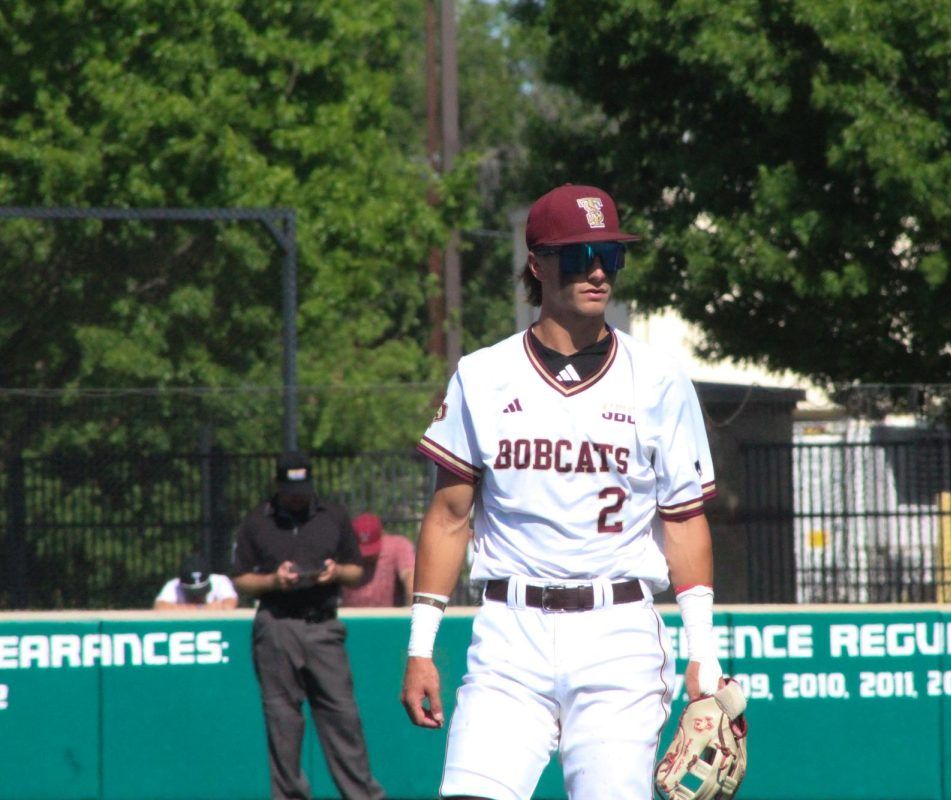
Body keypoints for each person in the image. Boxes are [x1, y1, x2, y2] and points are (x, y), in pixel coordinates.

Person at [401, 183, 722, 800]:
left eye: (611, 254)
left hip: (618, 633)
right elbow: (448, 516)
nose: (598, 270)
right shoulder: (484, 374)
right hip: (508, 633)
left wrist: (703, 650)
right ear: (537, 263)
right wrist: (421, 647)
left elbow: (683, 521)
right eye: (579, 255)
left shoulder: (658, 379)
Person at [230, 451, 385, 800]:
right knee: (283, 725)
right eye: (291, 487)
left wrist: (335, 573)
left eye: (303, 486)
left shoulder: (333, 517)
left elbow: (356, 570)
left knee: (343, 720)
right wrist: (273, 580)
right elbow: (240, 579)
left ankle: (362, 795)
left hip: (323, 626)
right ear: (278, 484)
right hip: (277, 626)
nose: (298, 494)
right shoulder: (258, 522)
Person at [340, 512, 416, 608]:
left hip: (388, 618)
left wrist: (411, 613)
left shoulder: (398, 546)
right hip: (350, 617)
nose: (368, 556)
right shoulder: (342, 550)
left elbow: (410, 576)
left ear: (382, 534)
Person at [153, 553, 238, 610]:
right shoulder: (174, 585)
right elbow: (159, 606)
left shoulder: (220, 581)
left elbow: (229, 605)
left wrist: (180, 609)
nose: (198, 597)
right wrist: (201, 608)